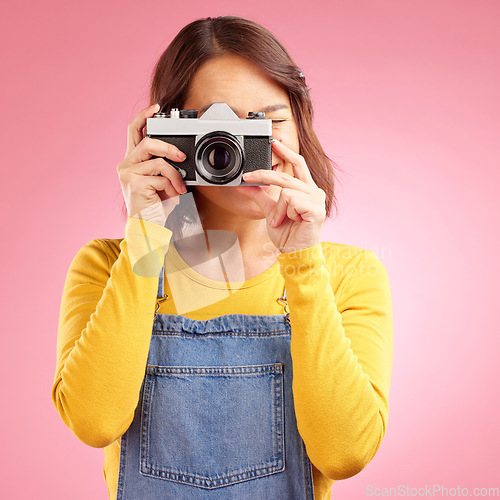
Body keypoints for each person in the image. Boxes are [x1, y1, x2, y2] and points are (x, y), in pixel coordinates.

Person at [51, 16, 393, 500]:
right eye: (220, 129)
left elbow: (344, 453)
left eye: (269, 123)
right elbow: (93, 421)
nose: (245, 149)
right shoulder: (110, 265)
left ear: (300, 126)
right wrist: (149, 234)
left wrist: (302, 262)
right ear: (169, 137)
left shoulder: (347, 274)